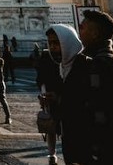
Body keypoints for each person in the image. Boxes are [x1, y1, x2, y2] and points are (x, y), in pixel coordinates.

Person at [60, 9, 113, 165]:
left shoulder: (90, 64)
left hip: (100, 145)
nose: (80, 31)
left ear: (94, 34)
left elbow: (79, 107)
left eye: (83, 28)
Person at [37, 25, 81, 165]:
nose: (52, 47)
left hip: (80, 126)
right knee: (52, 128)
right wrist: (44, 93)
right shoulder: (51, 59)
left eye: (56, 43)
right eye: (50, 43)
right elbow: (41, 78)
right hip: (56, 106)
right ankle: (52, 154)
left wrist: (60, 97)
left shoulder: (83, 64)